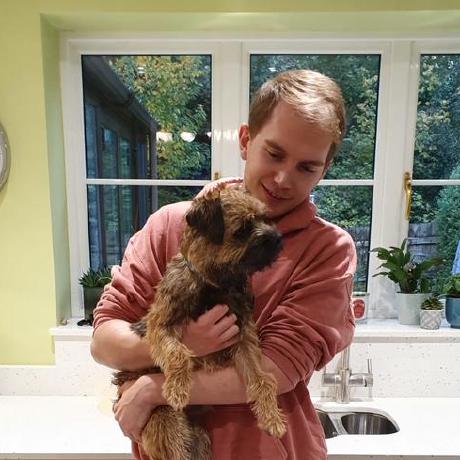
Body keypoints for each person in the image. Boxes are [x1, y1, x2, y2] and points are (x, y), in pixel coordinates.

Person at [91, 69, 357, 460]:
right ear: (246, 140)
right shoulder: (171, 225)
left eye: (307, 167)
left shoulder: (327, 250)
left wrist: (154, 388)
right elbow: (104, 342)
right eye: (274, 154)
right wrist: (183, 342)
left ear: (325, 169)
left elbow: (279, 368)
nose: (283, 178)